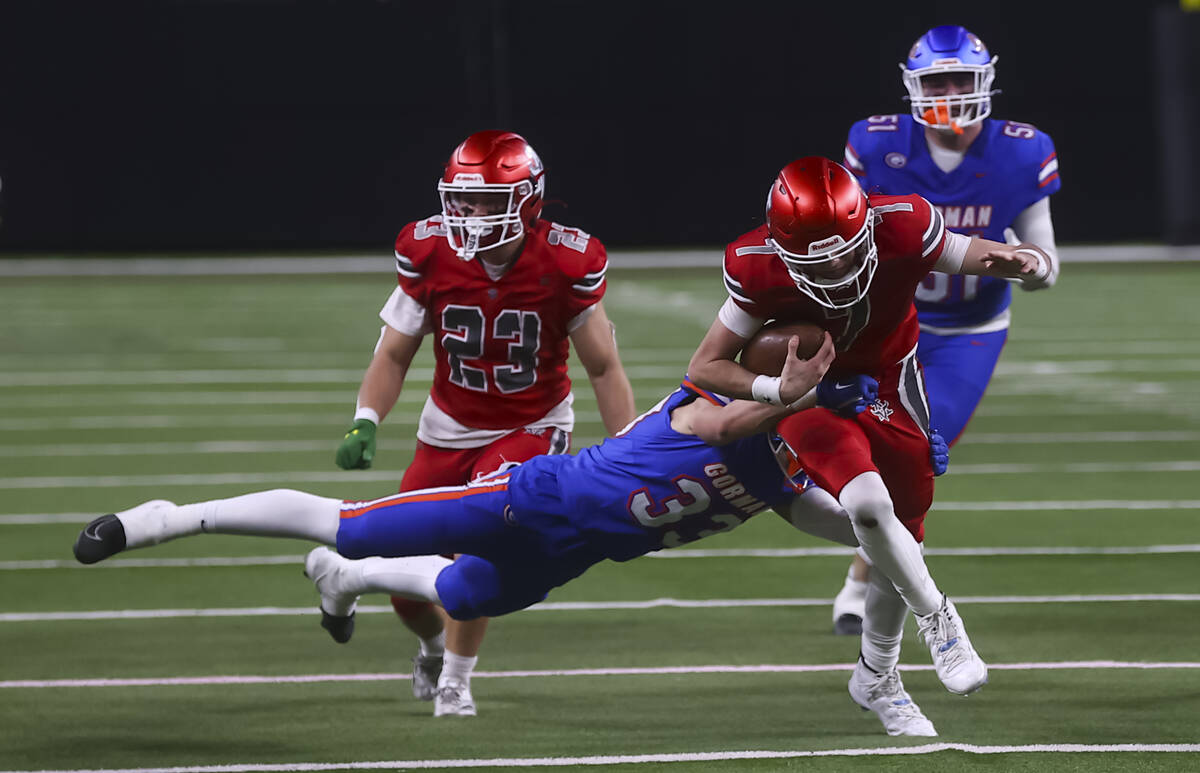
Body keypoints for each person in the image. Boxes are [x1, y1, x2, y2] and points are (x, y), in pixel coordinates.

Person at [73, 339, 894, 726]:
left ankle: (342, 580)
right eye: (789, 370)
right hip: (528, 497)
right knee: (355, 526)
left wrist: (885, 527)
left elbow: (831, 515)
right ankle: (167, 519)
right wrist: (794, 393)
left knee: (460, 588)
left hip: (572, 552)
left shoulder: (776, 469)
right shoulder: (707, 406)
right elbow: (726, 422)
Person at [687, 155, 1056, 735]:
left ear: (866, 224)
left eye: (846, 247)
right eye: (820, 255)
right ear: (783, 248)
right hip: (809, 390)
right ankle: (939, 619)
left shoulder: (902, 222)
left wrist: (1020, 260)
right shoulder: (755, 265)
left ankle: (877, 677)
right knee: (865, 505)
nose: (837, 264)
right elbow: (706, 365)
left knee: (903, 534)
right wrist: (779, 389)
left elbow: (968, 253)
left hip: (889, 380)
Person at [332, 130, 637, 716]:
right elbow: (394, 352)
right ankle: (428, 647)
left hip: (531, 423)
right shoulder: (429, 253)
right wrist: (365, 419)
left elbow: (603, 365)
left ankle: (457, 678)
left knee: (480, 539)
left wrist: (627, 453)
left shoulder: (564, 260)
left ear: (526, 200)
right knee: (402, 579)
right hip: (447, 424)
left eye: (483, 201)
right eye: (459, 199)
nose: (465, 214)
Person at [831, 25, 1062, 635]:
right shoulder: (875, 144)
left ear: (985, 82)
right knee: (856, 446)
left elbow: (1047, 263)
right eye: (939, 81)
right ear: (914, 87)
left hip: (970, 331)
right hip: (887, 324)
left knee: (919, 456)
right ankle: (867, 576)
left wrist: (1027, 266)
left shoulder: (1022, 149)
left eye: (963, 79)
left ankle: (862, 583)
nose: (952, 93)